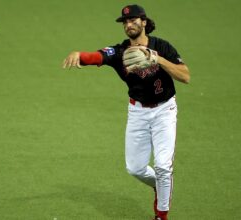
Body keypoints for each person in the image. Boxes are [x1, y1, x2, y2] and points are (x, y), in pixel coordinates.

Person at [62, 4, 190, 220]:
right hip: (137, 112)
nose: (129, 24)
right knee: (135, 168)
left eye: (133, 20)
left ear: (144, 22)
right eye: (125, 22)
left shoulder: (163, 46)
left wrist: (156, 58)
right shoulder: (120, 52)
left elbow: (185, 76)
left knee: (162, 166)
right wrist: (79, 55)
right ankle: (160, 185)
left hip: (164, 111)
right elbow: (98, 56)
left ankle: (161, 215)